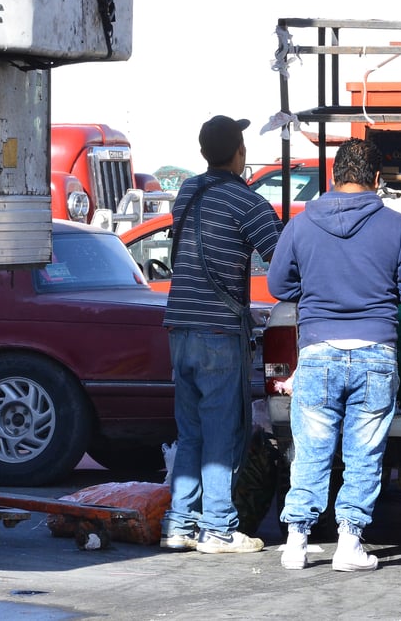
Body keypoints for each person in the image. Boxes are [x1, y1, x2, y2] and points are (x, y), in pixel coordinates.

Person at [266, 138, 401, 571]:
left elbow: (279, 287)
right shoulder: (396, 226)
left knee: (312, 451)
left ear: (333, 178)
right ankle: (349, 544)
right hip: (375, 353)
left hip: (318, 351)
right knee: (363, 453)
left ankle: (296, 543)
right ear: (377, 181)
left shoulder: (301, 225)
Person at [159, 115, 283, 554]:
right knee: (223, 431)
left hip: (179, 326)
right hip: (219, 331)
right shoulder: (248, 203)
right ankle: (218, 528)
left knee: (190, 431)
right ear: (240, 153)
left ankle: (179, 524)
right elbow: (283, 262)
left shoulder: (187, 192)